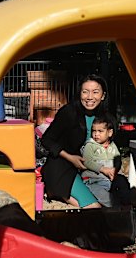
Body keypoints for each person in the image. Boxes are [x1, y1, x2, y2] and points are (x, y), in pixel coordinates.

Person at [40, 74, 109, 209]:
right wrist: (70, 158)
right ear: (79, 94)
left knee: (110, 202)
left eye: (95, 92)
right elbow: (47, 140)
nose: (90, 97)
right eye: (85, 92)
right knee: (94, 207)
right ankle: (56, 192)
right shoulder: (69, 112)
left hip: (90, 170)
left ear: (103, 95)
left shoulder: (105, 117)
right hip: (62, 167)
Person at [81, 113, 121, 207]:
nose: (96, 134)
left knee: (123, 185)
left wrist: (115, 169)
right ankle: (113, 208)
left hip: (109, 179)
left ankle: (126, 203)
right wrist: (103, 169)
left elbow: (118, 159)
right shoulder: (90, 145)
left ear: (110, 133)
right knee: (105, 197)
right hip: (93, 180)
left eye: (100, 131)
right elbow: (87, 161)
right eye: (94, 131)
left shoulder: (112, 146)